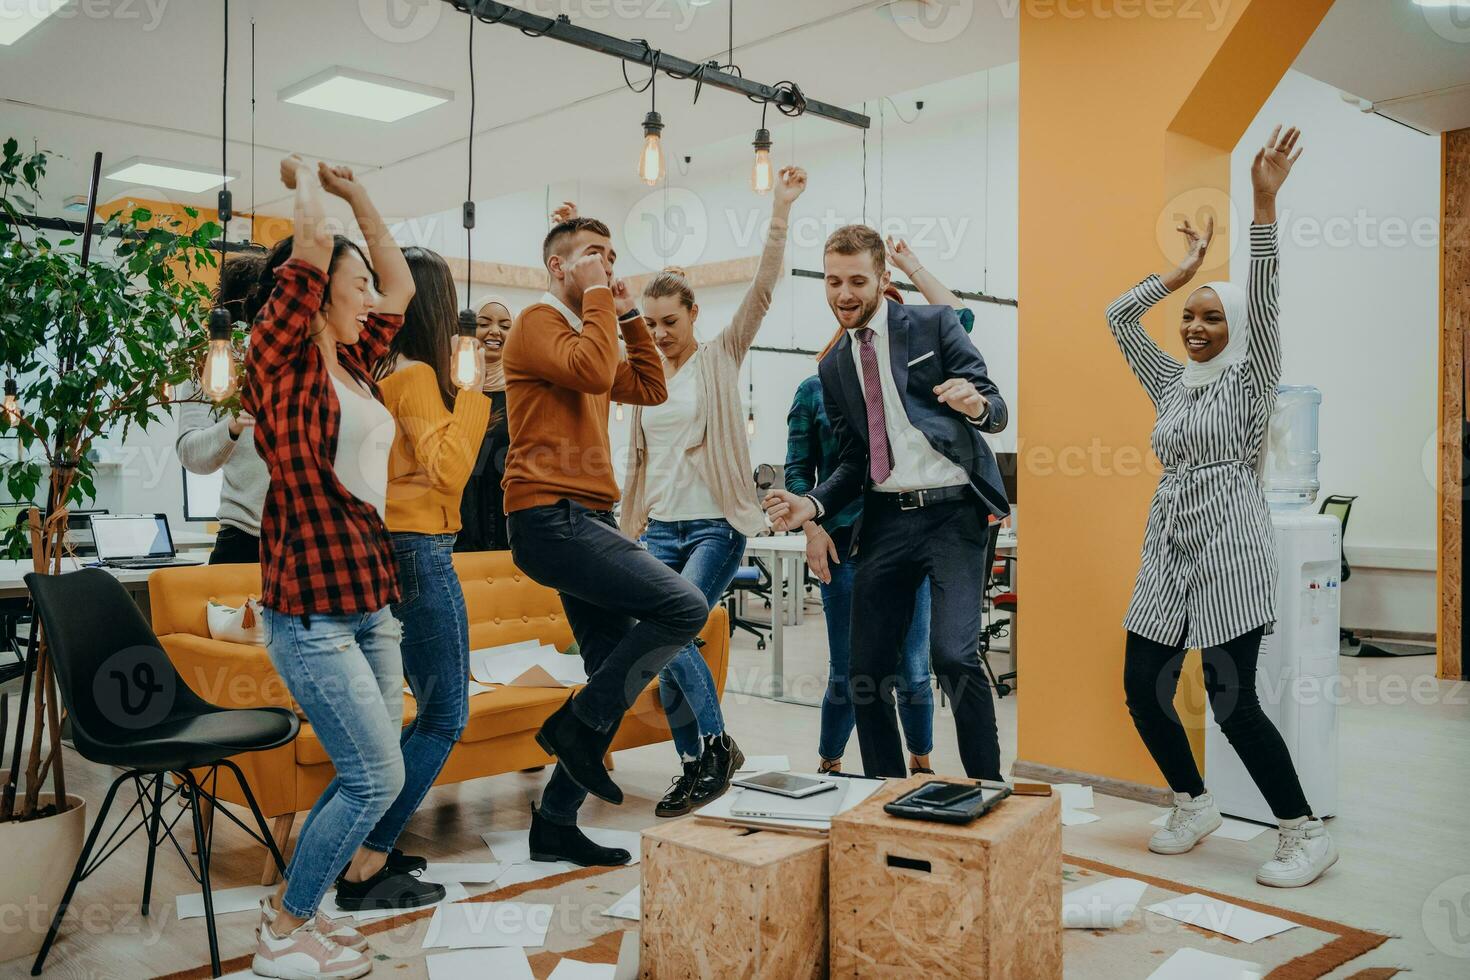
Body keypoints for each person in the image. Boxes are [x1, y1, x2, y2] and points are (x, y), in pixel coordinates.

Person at [1106, 125, 1336, 888]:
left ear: (1236, 330)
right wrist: (1180, 274)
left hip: (1232, 540)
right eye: (1191, 319)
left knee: (1234, 704)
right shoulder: (1173, 383)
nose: (1198, 328)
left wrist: (1263, 203)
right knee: (1144, 688)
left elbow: (1266, 303)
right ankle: (1193, 802)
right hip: (1168, 540)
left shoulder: (1250, 379)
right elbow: (1116, 318)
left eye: (1213, 317)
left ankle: (1302, 832)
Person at [243, 156, 440, 980]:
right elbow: (314, 241)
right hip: (311, 612)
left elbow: (402, 288)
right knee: (374, 774)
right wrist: (311, 187)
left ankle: (303, 906)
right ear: (318, 291)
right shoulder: (279, 359)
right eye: (350, 285)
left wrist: (362, 194)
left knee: (370, 768)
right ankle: (285, 929)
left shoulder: (357, 362)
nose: (368, 298)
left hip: (370, 603)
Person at [762, 224, 1010, 781]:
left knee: (952, 657)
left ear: (882, 278)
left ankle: (988, 789)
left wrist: (974, 406)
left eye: (856, 281)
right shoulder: (832, 368)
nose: (843, 294)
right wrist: (814, 507)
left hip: (952, 513)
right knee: (864, 672)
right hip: (886, 522)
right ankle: (884, 793)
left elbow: (995, 407)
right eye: (832, 281)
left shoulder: (932, 324)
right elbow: (853, 461)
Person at [502, 211, 708, 864]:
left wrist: (624, 316)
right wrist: (599, 300)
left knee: (612, 671)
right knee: (684, 606)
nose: (608, 267)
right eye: (593, 255)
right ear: (558, 267)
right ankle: (573, 726)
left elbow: (647, 384)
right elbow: (593, 373)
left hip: (583, 519)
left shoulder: (586, 330)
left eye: (612, 257)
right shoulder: (537, 322)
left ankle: (555, 821)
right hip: (548, 516)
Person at [606, 166, 807, 817]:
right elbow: (638, 459)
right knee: (660, 645)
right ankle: (697, 763)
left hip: (716, 525)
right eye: (652, 323)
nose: (661, 333)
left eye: (671, 320)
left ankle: (714, 748)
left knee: (672, 632)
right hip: (659, 526)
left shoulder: (722, 355)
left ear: (694, 314)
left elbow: (765, 287)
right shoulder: (641, 375)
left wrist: (779, 209)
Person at [176, 253, 269, 565]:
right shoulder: (211, 363)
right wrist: (233, 423)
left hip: (304, 540)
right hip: (244, 539)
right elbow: (190, 453)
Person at [456, 296, 514, 552]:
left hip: (508, 516)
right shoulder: (454, 387)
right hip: (463, 512)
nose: (495, 331)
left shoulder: (521, 392)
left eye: (505, 325)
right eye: (483, 323)